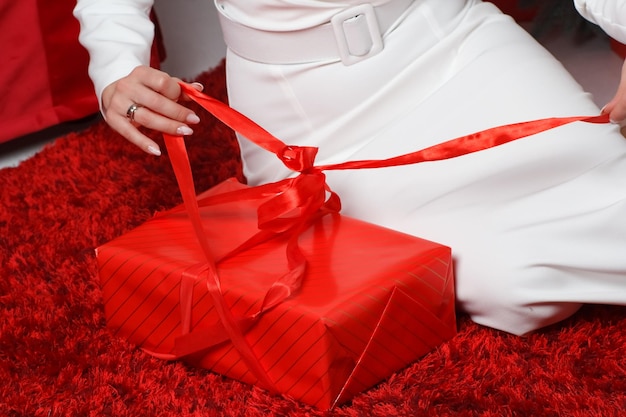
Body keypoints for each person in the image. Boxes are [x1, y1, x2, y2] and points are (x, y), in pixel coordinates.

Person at [74, 0, 626, 335]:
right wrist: (116, 65)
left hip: (449, 43)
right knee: (514, 286)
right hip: (297, 103)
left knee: (609, 205)